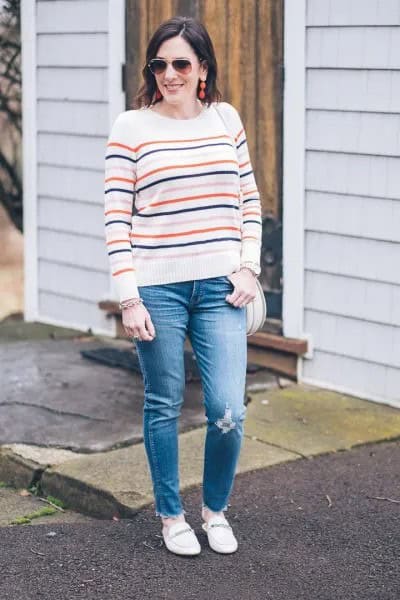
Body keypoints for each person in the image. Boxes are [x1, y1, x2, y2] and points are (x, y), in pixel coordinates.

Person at [104, 16, 262, 556]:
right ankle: (172, 516)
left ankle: (214, 510)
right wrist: (129, 296)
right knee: (164, 403)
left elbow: (249, 201)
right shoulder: (131, 127)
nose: (169, 74)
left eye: (181, 63)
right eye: (160, 64)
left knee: (227, 410)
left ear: (202, 69)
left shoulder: (226, 119)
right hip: (156, 290)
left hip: (222, 287)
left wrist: (248, 265)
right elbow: (116, 220)